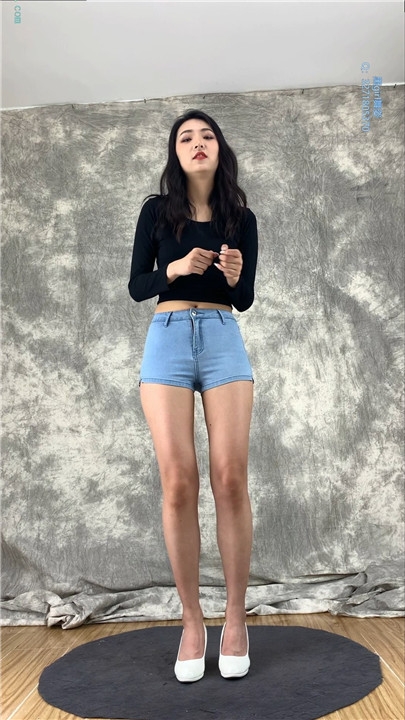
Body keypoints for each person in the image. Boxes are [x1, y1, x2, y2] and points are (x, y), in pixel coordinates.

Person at [128, 109, 258, 682]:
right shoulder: (157, 212)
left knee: (229, 476)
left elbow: (245, 298)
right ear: (175, 154)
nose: (197, 142)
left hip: (223, 338)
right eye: (186, 137)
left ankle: (235, 618)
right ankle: (191, 621)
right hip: (168, 338)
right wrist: (176, 268)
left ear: (219, 149)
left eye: (207, 135)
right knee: (178, 480)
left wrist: (233, 277)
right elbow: (138, 285)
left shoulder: (241, 218)